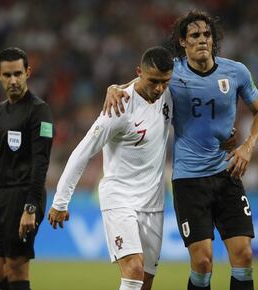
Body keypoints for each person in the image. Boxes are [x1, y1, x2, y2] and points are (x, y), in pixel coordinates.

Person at [103, 10, 258, 290]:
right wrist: (113, 87)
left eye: (207, 34)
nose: (203, 39)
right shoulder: (174, 71)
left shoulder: (236, 71)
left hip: (227, 173)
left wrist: (247, 146)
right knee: (203, 262)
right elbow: (141, 82)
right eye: (195, 35)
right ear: (182, 41)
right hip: (189, 180)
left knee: (244, 255)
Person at [47, 46, 174, 290]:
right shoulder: (119, 107)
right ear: (139, 73)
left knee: (145, 280)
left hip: (153, 201)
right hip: (120, 197)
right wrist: (60, 202)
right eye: (154, 81)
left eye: (165, 82)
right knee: (134, 270)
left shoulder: (168, 94)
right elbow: (82, 152)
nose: (159, 88)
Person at [0, 47, 54, 290]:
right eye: (7, 75)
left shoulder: (39, 111)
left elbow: (41, 162)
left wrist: (30, 207)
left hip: (25, 196)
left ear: (28, 72)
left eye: (18, 74)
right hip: (0, 197)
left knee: (17, 268)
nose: (13, 80)